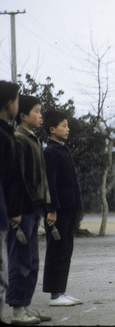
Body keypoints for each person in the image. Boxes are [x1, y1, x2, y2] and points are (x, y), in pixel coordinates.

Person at [7, 95, 52, 324]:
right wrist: (15, 210)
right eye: (36, 110)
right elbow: (16, 179)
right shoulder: (18, 139)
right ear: (23, 116)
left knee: (33, 261)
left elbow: (40, 179)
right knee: (20, 259)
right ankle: (17, 310)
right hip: (22, 211)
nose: (40, 114)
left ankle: (26, 306)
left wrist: (46, 205)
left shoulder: (33, 139)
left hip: (35, 209)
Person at [42, 111, 83, 306]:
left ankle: (61, 291)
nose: (68, 129)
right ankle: (54, 294)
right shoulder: (49, 151)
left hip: (69, 210)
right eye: (64, 125)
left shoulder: (62, 149)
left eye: (67, 125)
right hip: (57, 211)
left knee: (66, 250)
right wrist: (52, 209)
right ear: (52, 129)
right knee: (56, 251)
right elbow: (50, 184)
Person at [0, 81, 20, 322]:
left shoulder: (7, 132)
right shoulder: (5, 136)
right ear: (9, 103)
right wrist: (14, 210)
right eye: (16, 99)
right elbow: (8, 179)